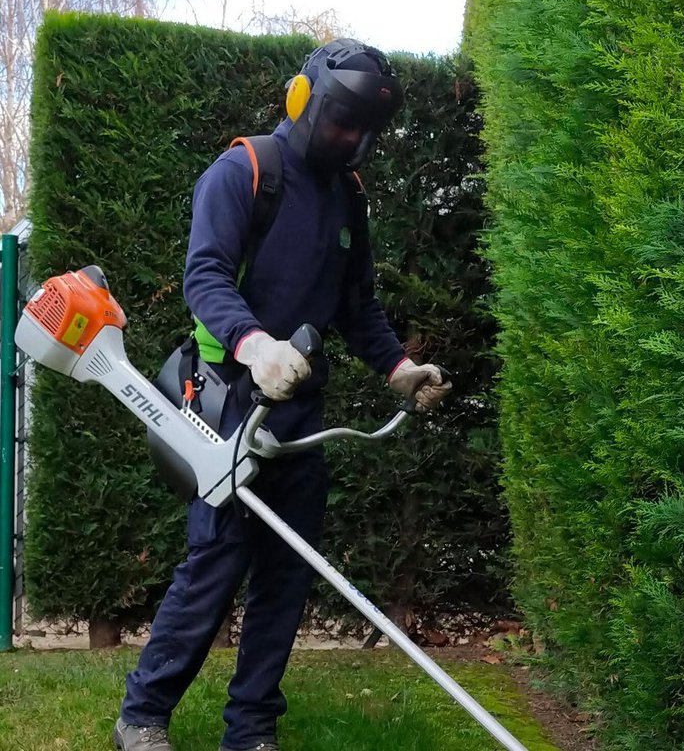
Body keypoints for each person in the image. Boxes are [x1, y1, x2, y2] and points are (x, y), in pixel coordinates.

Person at [113, 38, 452, 751]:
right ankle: (143, 716)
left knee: (285, 577)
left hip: (301, 410)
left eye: (364, 130)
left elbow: (356, 306)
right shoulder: (246, 171)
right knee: (214, 563)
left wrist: (397, 369)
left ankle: (252, 730)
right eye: (341, 121)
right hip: (230, 400)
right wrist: (255, 345)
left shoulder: (347, 198)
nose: (352, 140)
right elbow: (203, 278)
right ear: (304, 100)